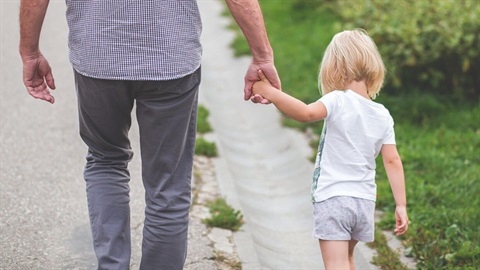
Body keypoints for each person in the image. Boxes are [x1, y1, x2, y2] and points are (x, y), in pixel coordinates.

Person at [19, 0, 280, 269]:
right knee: (169, 183)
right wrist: (261, 56)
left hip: (98, 55)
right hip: (170, 56)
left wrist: (30, 52)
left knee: (105, 161)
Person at [252, 29, 408, 270]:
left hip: (334, 199)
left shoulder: (338, 100)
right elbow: (392, 161)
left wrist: (271, 92)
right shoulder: (383, 115)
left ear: (334, 67)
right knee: (347, 260)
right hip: (364, 202)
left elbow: (305, 113)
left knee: (336, 264)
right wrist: (401, 205)